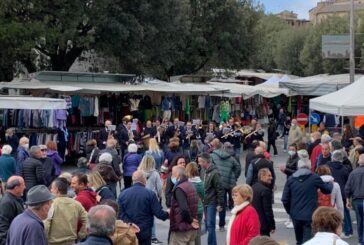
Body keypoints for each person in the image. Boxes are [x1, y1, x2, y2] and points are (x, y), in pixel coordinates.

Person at [281, 158, 333, 244]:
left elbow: (285, 199)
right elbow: (327, 190)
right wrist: (330, 183)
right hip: (310, 214)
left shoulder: (291, 179)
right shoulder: (314, 178)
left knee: (299, 239)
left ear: (298, 167)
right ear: (310, 167)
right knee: (308, 240)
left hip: (295, 214)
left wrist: (290, 211)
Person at [118, 170, 169, 245]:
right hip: (145, 230)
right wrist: (167, 213)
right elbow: (159, 213)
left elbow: (119, 213)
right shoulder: (150, 194)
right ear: (144, 179)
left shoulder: (123, 194)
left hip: (129, 229)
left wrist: (129, 223)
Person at [45, 177, 88, 245]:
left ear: (56, 189)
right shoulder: (76, 204)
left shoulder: (51, 205)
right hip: (71, 242)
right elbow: (87, 219)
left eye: (52, 188)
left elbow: (46, 224)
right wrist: (81, 235)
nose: (51, 190)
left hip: (54, 242)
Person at [210, 139, 241, 231]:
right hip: (231, 182)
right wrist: (235, 176)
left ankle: (222, 225)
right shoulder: (230, 157)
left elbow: (211, 168)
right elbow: (238, 167)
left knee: (221, 203)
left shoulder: (212, 156)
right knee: (235, 203)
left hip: (219, 182)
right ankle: (235, 223)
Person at [198, 153, 224, 245]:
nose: (199, 164)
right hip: (205, 201)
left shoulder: (215, 173)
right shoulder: (203, 171)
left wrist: (220, 204)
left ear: (206, 161)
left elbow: (220, 189)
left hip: (211, 202)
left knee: (210, 225)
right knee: (207, 225)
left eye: (200, 162)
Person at [326, 149, 352, 238]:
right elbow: (348, 181)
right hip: (343, 192)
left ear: (333, 158)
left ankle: (338, 230)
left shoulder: (328, 166)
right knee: (345, 212)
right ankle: (348, 231)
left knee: (333, 212)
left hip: (332, 191)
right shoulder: (345, 169)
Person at [169, 166, 199, 244]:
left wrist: (190, 220)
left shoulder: (179, 188)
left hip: (182, 228)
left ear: (178, 175)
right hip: (191, 228)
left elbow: (184, 208)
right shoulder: (191, 185)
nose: (172, 177)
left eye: (173, 174)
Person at [137, 155, 163, 244]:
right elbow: (159, 187)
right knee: (151, 217)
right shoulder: (155, 173)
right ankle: (153, 237)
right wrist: (160, 196)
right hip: (151, 197)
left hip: (140, 196)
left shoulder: (138, 172)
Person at [345, 154, 364, 245]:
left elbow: (348, 188)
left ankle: (360, 240)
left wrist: (348, 199)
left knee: (359, 221)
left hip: (356, 200)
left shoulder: (353, 173)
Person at [0, 176, 25, 245]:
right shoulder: (7, 203)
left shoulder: (16, 199)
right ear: (16, 188)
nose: (25, 187)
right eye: (23, 185)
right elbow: (3, 227)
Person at [252, 168, 275, 236]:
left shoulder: (253, 187)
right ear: (262, 176)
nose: (271, 178)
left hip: (253, 223)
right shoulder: (265, 190)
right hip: (263, 225)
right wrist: (272, 225)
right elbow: (268, 210)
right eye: (269, 176)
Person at [186, 162, 205, 245]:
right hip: (198, 209)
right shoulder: (199, 183)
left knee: (187, 232)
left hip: (188, 210)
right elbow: (204, 196)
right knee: (197, 232)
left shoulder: (186, 183)